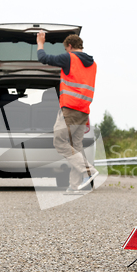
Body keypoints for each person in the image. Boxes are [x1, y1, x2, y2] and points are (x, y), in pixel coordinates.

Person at [36, 31, 99, 193]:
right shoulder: (92, 64)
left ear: (69, 47)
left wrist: (40, 43)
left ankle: (88, 171)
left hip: (70, 108)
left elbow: (44, 58)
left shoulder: (69, 58)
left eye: (66, 49)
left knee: (59, 142)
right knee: (75, 147)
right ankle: (74, 186)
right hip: (83, 110)